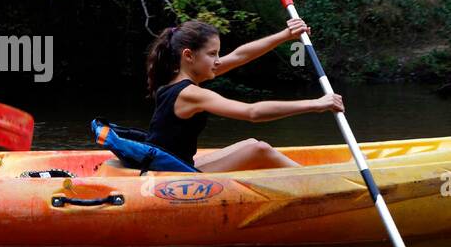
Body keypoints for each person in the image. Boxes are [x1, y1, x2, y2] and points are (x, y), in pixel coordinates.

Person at [143, 19, 345, 171]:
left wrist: (286, 35)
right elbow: (252, 112)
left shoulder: (171, 80)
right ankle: (314, 180)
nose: (218, 60)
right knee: (259, 150)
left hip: (167, 164)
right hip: (170, 176)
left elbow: (240, 56)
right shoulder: (191, 93)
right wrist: (316, 104)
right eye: (212, 54)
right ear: (188, 56)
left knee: (250, 143)